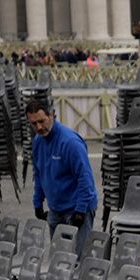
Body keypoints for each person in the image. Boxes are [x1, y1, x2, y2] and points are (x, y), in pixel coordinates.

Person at [27, 98, 98, 254]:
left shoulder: (70, 142)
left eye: (42, 121)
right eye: (33, 124)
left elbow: (85, 178)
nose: (39, 127)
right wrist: (37, 203)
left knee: (79, 260)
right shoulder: (38, 142)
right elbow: (39, 173)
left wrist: (80, 211)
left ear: (52, 115)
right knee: (58, 260)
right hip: (56, 210)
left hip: (78, 208)